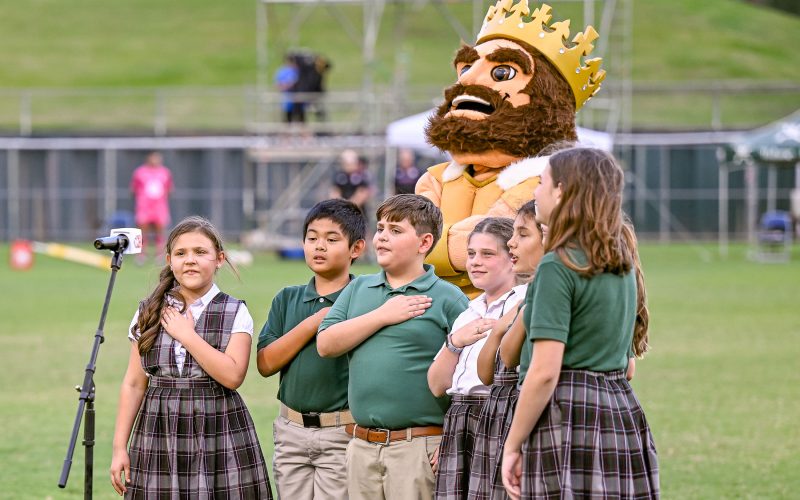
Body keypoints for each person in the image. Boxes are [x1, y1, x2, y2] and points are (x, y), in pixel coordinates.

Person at [418, 0, 606, 297]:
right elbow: (405, 248)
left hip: (507, 316)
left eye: (501, 73)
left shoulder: (545, 182)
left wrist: (434, 246)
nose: (466, 78)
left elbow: (495, 248)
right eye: (465, 67)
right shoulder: (435, 179)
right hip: (433, 315)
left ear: (548, 107)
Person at [501, 148, 658, 499]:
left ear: (561, 191)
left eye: (541, 183)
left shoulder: (557, 266)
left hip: (568, 413)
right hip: (618, 408)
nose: (535, 192)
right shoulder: (620, 260)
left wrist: (513, 443)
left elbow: (543, 372)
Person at [317, 194, 469, 500]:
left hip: (418, 447)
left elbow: (467, 378)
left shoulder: (448, 298)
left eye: (396, 231)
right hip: (361, 447)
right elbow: (326, 343)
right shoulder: (358, 288)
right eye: (381, 228)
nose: (382, 237)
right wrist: (382, 315)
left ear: (424, 243)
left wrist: (453, 439)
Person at [109, 216, 271, 498]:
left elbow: (233, 376)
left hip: (218, 429)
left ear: (219, 259)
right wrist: (119, 447)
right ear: (169, 260)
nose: (190, 260)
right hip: (158, 429)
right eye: (181, 253)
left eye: (200, 252)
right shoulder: (149, 311)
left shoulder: (235, 311)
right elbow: (134, 384)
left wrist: (187, 336)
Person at [256, 199, 366, 499]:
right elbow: (265, 364)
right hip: (290, 431)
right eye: (312, 237)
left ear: (356, 249)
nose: (319, 246)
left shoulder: (364, 300)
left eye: (332, 240)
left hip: (341, 431)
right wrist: (313, 323)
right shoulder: (287, 299)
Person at [427, 217, 527, 500]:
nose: (475, 262)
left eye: (487, 254)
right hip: (460, 417)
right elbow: (437, 385)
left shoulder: (523, 302)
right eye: (471, 254)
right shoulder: (467, 312)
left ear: (512, 258)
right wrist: (455, 341)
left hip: (499, 416)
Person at [469, 201, 544, 500]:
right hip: (502, 409)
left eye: (523, 234)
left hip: (530, 409)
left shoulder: (537, 291)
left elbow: (527, 366)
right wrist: (500, 329)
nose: (513, 243)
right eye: (471, 253)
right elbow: (490, 370)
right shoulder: (470, 307)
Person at [130, 151, 173, 263]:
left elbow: (169, 189)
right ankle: (141, 254)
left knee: (160, 230)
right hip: (144, 206)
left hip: (159, 207)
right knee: (142, 231)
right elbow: (134, 189)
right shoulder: (140, 172)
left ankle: (160, 254)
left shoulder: (165, 172)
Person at [330, 149, 373, 214]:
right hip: (341, 210)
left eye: (350, 163)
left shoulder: (362, 175)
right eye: (345, 163)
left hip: (358, 210)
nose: (347, 165)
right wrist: (341, 205)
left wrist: (349, 206)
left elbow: (363, 193)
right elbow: (335, 192)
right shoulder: (339, 175)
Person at [276, 53, 303, 123]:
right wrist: (288, 85)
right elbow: (279, 85)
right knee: (288, 120)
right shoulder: (282, 72)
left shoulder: (298, 71)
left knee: (301, 120)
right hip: (288, 101)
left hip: (299, 101)